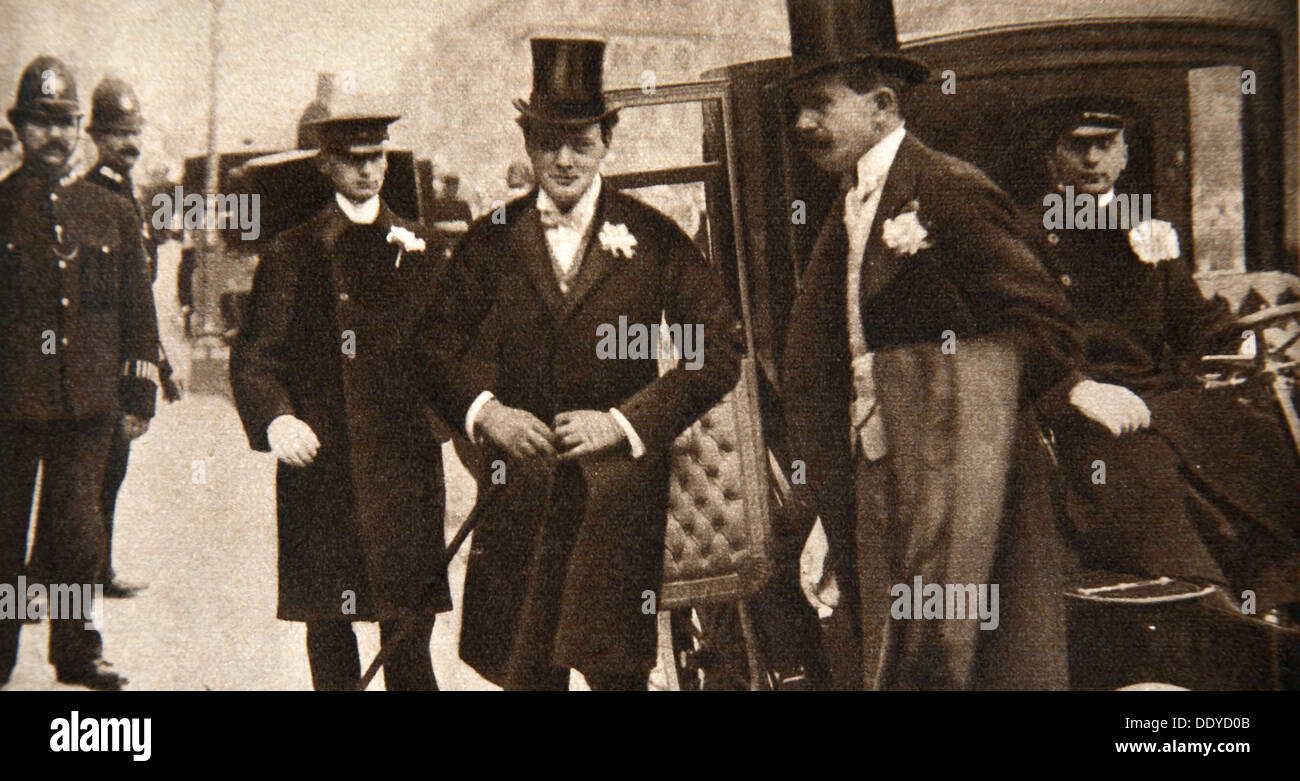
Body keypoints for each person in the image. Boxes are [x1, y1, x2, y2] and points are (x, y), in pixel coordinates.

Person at [411, 38, 743, 690]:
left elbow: (718, 350)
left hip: (615, 504)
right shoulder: (492, 240)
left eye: (581, 142)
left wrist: (623, 422)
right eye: (547, 142)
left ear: (607, 140)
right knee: (527, 672)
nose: (564, 160)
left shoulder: (652, 239)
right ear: (529, 143)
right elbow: (432, 345)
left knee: (616, 673)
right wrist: (488, 412)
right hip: (520, 498)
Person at [780, 0, 1081, 690]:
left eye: (820, 104)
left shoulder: (948, 189)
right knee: (904, 662)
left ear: (883, 104)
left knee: (984, 665)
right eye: (798, 108)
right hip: (885, 478)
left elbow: (1050, 331)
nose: (803, 124)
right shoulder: (850, 201)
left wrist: (933, 389)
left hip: (973, 485)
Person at [1023, 97, 1300, 618]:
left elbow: (1192, 320)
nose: (1092, 161)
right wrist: (1076, 389)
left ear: (1124, 155)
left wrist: (1244, 342)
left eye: (1106, 146)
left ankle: (1278, 602)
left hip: (1169, 393)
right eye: (1076, 147)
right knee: (1145, 482)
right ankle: (1209, 612)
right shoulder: (1030, 234)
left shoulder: (1145, 226)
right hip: (1095, 403)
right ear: (1051, 159)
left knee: (1260, 437)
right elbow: (1025, 335)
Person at [230, 113, 449, 690]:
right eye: (354, 159)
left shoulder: (419, 246)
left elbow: (448, 348)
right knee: (329, 629)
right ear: (327, 163)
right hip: (324, 469)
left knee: (408, 634)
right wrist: (278, 420)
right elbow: (255, 356)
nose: (368, 171)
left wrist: (447, 416)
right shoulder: (294, 252)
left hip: (404, 471)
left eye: (377, 157)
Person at [0, 56, 159, 690]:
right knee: (5, 540)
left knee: (77, 540)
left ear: (79, 130)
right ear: (18, 128)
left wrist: (138, 391)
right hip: (10, 407)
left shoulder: (110, 211)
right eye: (41, 123)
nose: (55, 136)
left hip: (87, 408)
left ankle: (75, 651)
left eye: (65, 123)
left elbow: (136, 311)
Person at [84, 76, 168, 598]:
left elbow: (142, 290)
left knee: (110, 470)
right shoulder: (92, 196)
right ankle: (67, 575)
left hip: (121, 360)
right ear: (96, 138)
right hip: (96, 362)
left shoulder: (130, 198)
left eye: (133, 131)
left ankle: (97, 568)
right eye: (117, 133)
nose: (128, 143)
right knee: (86, 475)